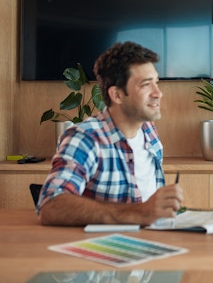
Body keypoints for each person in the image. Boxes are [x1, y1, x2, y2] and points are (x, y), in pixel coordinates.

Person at [37, 41, 184, 226]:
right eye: (146, 85)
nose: (158, 93)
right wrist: (138, 213)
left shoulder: (148, 129)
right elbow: (51, 206)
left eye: (156, 82)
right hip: (101, 247)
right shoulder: (84, 138)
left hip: (153, 238)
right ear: (117, 95)